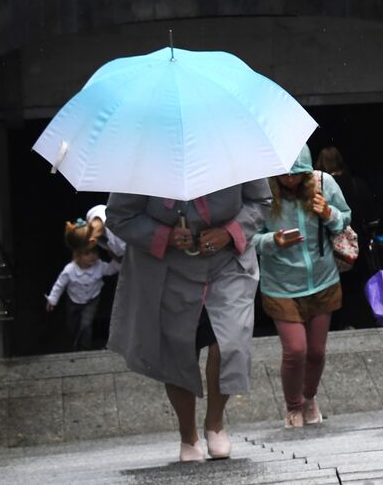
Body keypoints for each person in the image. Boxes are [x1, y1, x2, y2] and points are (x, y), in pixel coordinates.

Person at [106, 181, 269, 463]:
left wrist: (229, 232)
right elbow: (120, 217)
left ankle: (215, 423)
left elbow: (261, 202)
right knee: (178, 347)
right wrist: (164, 235)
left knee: (231, 339)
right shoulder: (144, 160)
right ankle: (188, 434)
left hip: (227, 263)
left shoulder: (235, 147)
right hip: (168, 268)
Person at [255, 145, 353, 428]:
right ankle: (293, 405)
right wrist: (274, 240)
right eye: (284, 175)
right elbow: (249, 238)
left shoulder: (324, 183)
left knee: (316, 352)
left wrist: (329, 214)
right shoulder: (262, 192)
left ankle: (309, 397)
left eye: (297, 175)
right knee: (295, 350)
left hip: (323, 280)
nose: (290, 180)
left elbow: (345, 218)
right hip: (281, 285)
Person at [315, 145, 378, 329]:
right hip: (355, 244)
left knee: (332, 287)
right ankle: (356, 321)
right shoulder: (356, 183)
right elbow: (371, 215)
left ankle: (335, 324)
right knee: (355, 287)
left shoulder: (318, 187)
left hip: (327, 246)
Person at [46, 220, 121, 351]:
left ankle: (85, 347)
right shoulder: (70, 270)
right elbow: (60, 284)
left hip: (92, 299)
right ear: (78, 255)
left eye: (94, 252)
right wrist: (52, 299)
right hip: (74, 301)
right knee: (72, 323)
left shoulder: (99, 266)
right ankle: (72, 342)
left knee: (86, 324)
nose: (92, 256)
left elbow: (111, 269)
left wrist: (120, 259)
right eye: (87, 253)